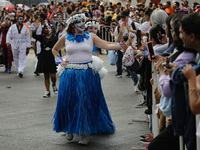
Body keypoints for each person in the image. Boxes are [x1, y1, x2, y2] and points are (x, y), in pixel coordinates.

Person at [52, 13, 124, 145]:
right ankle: (69, 128)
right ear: (73, 25)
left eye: (83, 22)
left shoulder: (91, 36)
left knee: (85, 103)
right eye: (80, 22)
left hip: (87, 73)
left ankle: (85, 133)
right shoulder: (65, 37)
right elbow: (55, 50)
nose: (83, 24)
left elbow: (107, 46)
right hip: (70, 73)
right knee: (69, 101)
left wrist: (122, 45)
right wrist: (59, 61)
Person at [32, 22, 58, 98]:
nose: (46, 30)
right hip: (44, 56)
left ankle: (54, 84)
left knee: (53, 74)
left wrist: (58, 58)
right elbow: (34, 36)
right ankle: (47, 91)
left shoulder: (55, 38)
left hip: (52, 56)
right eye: (45, 28)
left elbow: (58, 48)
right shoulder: (42, 37)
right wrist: (35, 29)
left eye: (47, 28)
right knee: (46, 74)